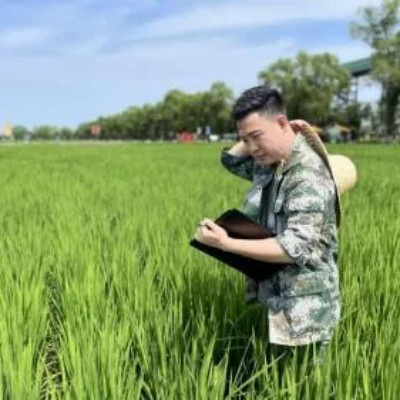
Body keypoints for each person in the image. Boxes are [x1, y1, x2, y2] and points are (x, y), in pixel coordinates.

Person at [194, 85, 354, 377]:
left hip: (307, 306)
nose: (252, 147)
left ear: (281, 123)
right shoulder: (269, 164)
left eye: (257, 136)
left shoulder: (307, 176)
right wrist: (252, 134)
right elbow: (230, 160)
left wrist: (226, 243)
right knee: (280, 378)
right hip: (280, 296)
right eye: (245, 139)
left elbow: (294, 247)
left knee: (308, 383)